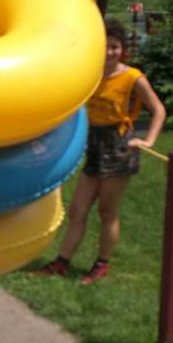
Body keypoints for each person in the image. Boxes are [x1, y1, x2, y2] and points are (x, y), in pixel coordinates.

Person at [35, 20, 165, 285]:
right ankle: (62, 262)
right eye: (105, 47)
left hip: (118, 146)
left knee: (107, 211)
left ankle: (101, 264)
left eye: (115, 47)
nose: (109, 52)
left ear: (122, 49)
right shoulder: (91, 74)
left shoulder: (133, 77)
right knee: (77, 210)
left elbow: (158, 109)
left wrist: (148, 140)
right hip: (93, 144)